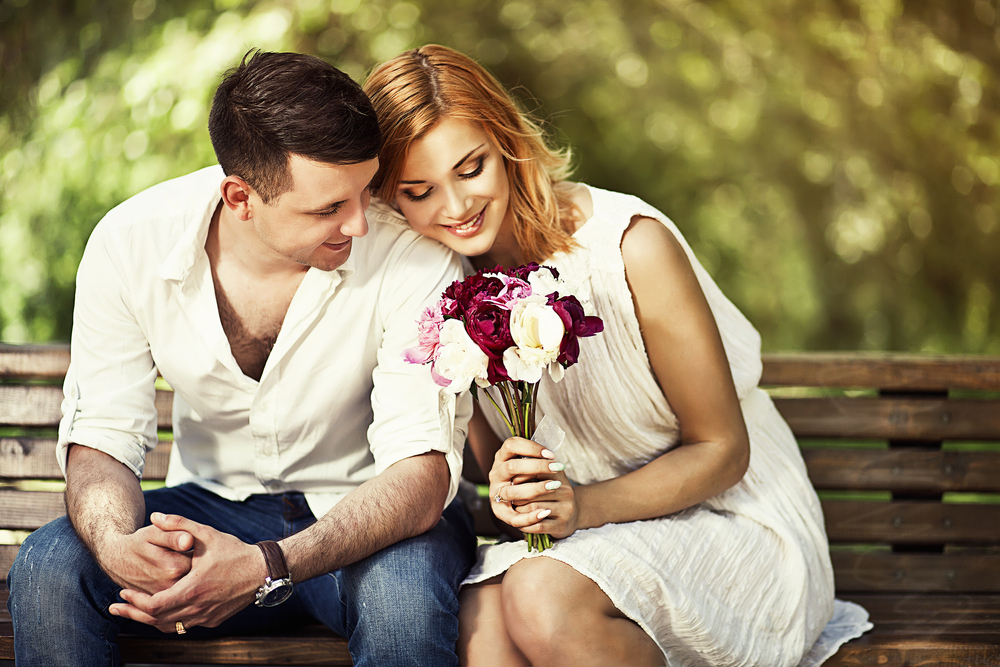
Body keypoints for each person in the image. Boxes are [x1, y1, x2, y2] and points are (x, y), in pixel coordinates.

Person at [362, 44, 871, 667]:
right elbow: (491, 461)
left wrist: (583, 505)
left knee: (540, 594)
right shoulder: (439, 288)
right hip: (587, 541)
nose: (455, 208)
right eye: (418, 192)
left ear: (506, 141)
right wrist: (503, 483)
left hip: (734, 521)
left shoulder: (629, 246)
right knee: (481, 619)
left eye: (471, 169)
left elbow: (723, 450)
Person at [6, 50, 477, 667]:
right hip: (206, 506)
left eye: (364, 189)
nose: (362, 223)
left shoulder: (414, 256)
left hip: (368, 522)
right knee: (48, 570)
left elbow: (421, 476)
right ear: (240, 196)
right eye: (329, 208)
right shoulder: (130, 244)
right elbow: (102, 432)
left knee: (404, 607)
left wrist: (264, 565)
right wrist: (118, 543)